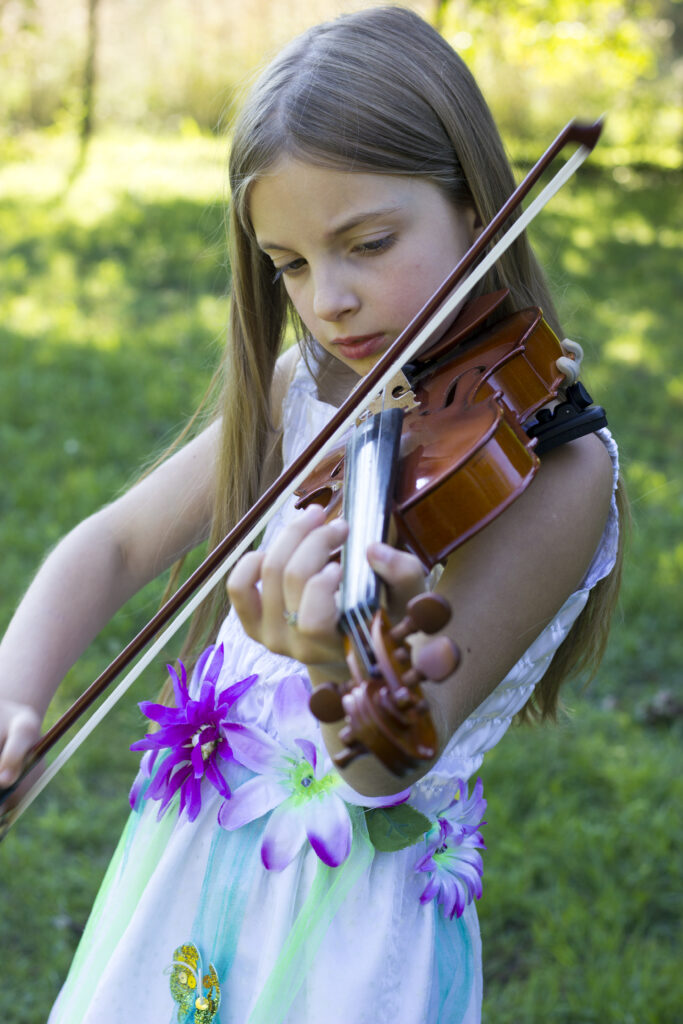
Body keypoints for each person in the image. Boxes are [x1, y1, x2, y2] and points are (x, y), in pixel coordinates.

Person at [0, 7, 624, 1022]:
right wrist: (14, 693)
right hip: (189, 864)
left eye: (365, 243)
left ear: (479, 206)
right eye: (288, 263)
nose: (327, 300)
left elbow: (391, 767)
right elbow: (109, 544)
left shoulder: (553, 472)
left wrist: (333, 665)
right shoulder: (310, 385)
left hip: (350, 923)